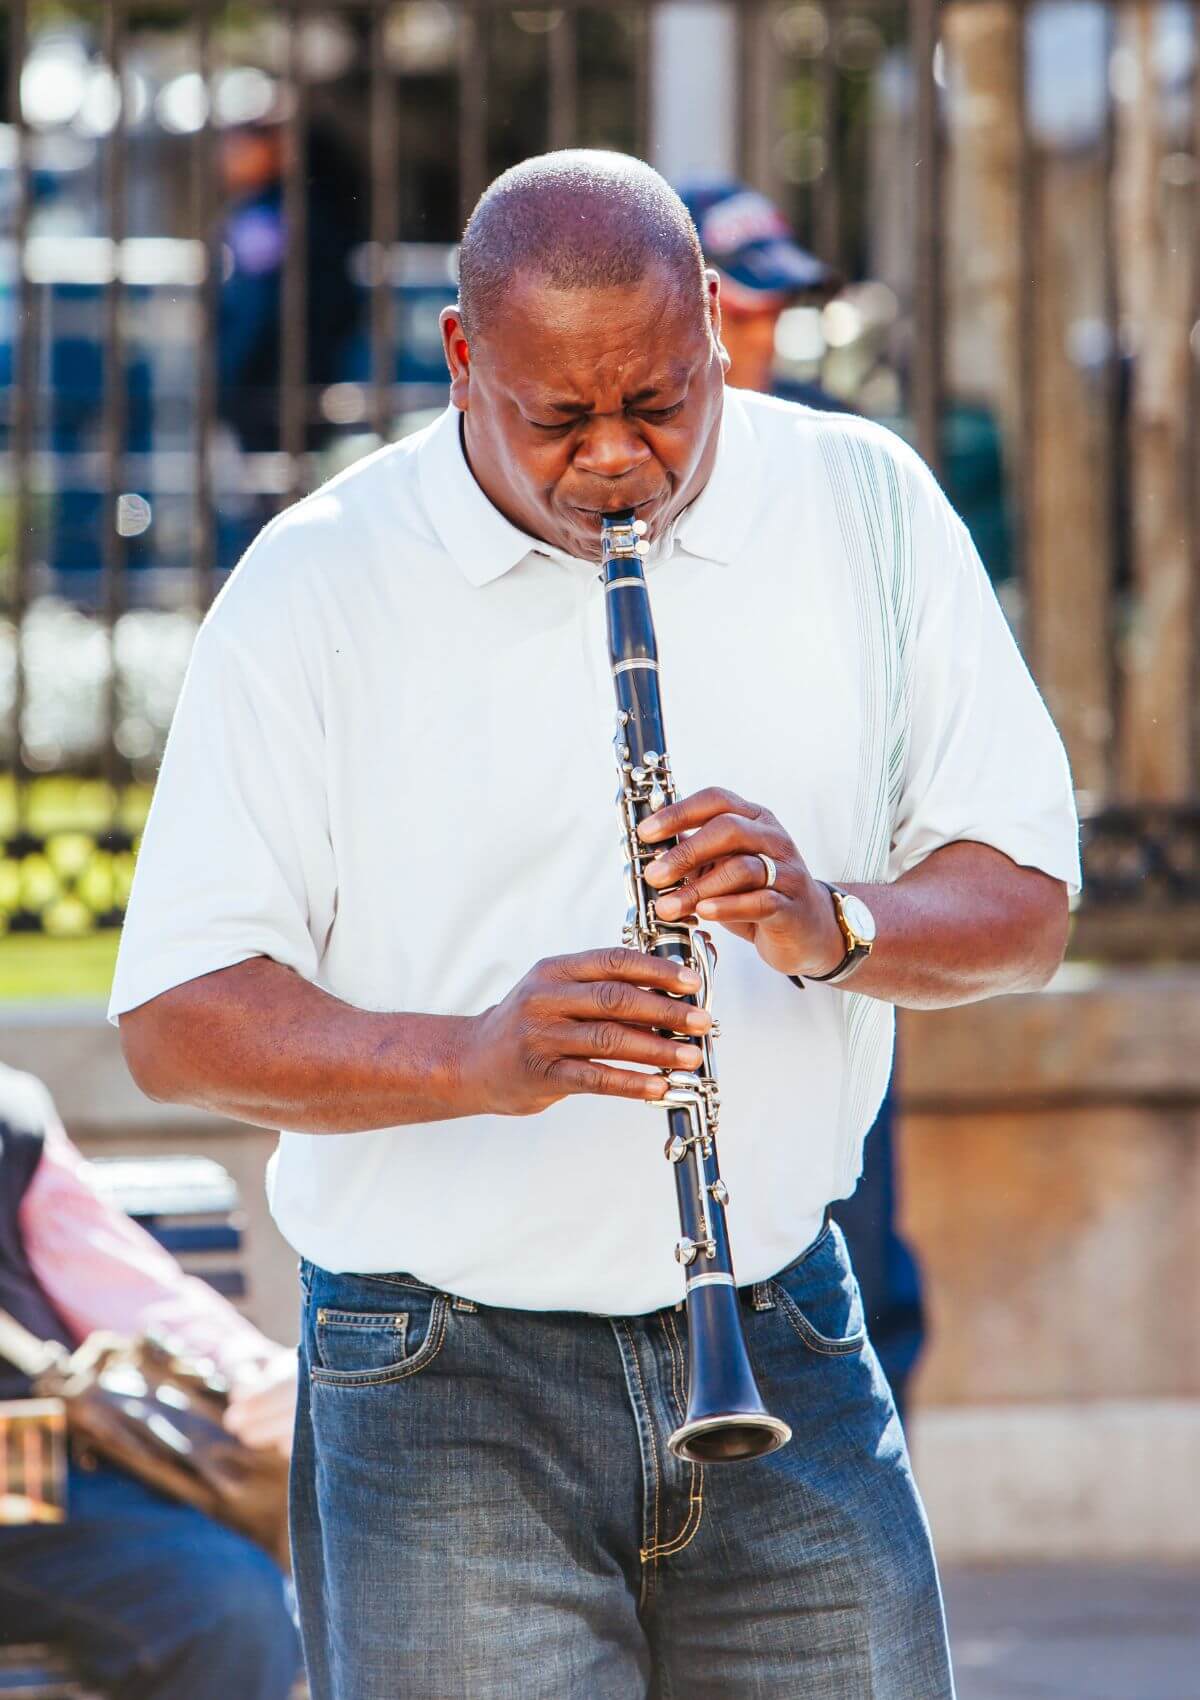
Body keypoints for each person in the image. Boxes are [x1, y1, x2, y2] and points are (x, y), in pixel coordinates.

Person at [111, 150, 1080, 1700]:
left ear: (711, 319)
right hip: (437, 1387)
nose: (617, 460)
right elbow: (174, 1016)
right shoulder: (317, 585)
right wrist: (475, 1058)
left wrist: (832, 922)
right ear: (459, 360)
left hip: (788, 1339)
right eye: (559, 418)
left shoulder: (863, 506)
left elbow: (1025, 902)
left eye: (660, 402)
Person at [679, 178, 926, 1420]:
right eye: (735, 309)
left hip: (829, 937)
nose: (756, 345)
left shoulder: (843, 463)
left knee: (869, 1272)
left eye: (773, 313)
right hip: (673, 948)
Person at [0, 1064, 302, 1700]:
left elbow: (123, 1285)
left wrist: (258, 1375)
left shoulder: (9, 1115)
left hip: (23, 1485)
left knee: (227, 1600)